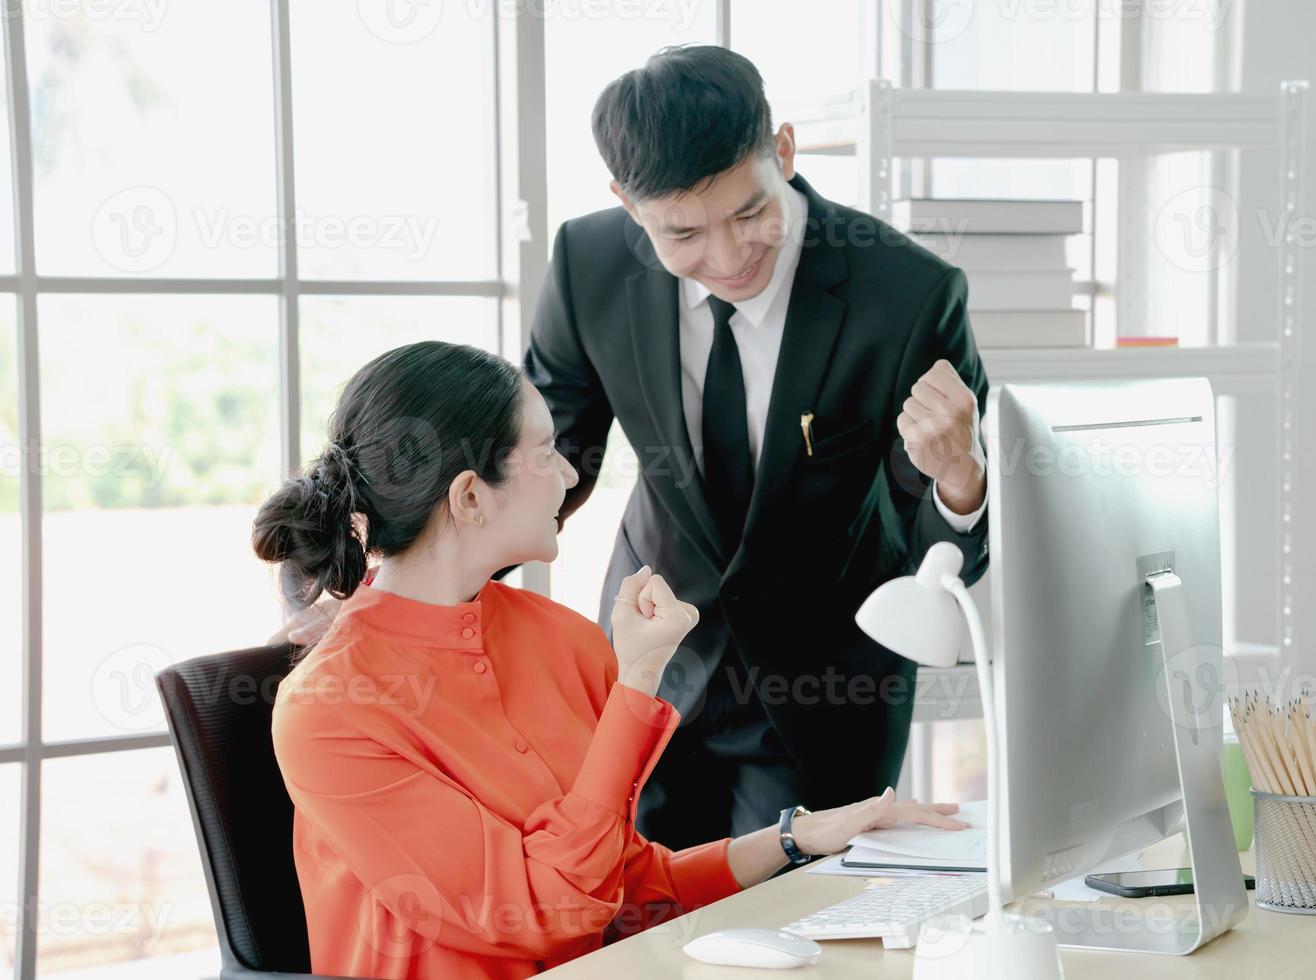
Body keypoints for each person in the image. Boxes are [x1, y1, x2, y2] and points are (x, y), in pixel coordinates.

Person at [274, 45, 990, 851]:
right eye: (683, 232)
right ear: (626, 202)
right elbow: (542, 461)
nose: (726, 259)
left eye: (751, 213)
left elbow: (934, 549)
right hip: (642, 670)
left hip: (820, 696)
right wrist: (393, 592)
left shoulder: (909, 295)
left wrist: (960, 480)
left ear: (783, 152)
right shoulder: (591, 263)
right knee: (630, 924)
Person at [255, 341, 965, 980]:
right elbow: (545, 910)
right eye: (544, 451)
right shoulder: (328, 711)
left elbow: (625, 889)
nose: (569, 473)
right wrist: (638, 681)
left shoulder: (559, 638)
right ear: (470, 497)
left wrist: (800, 834)